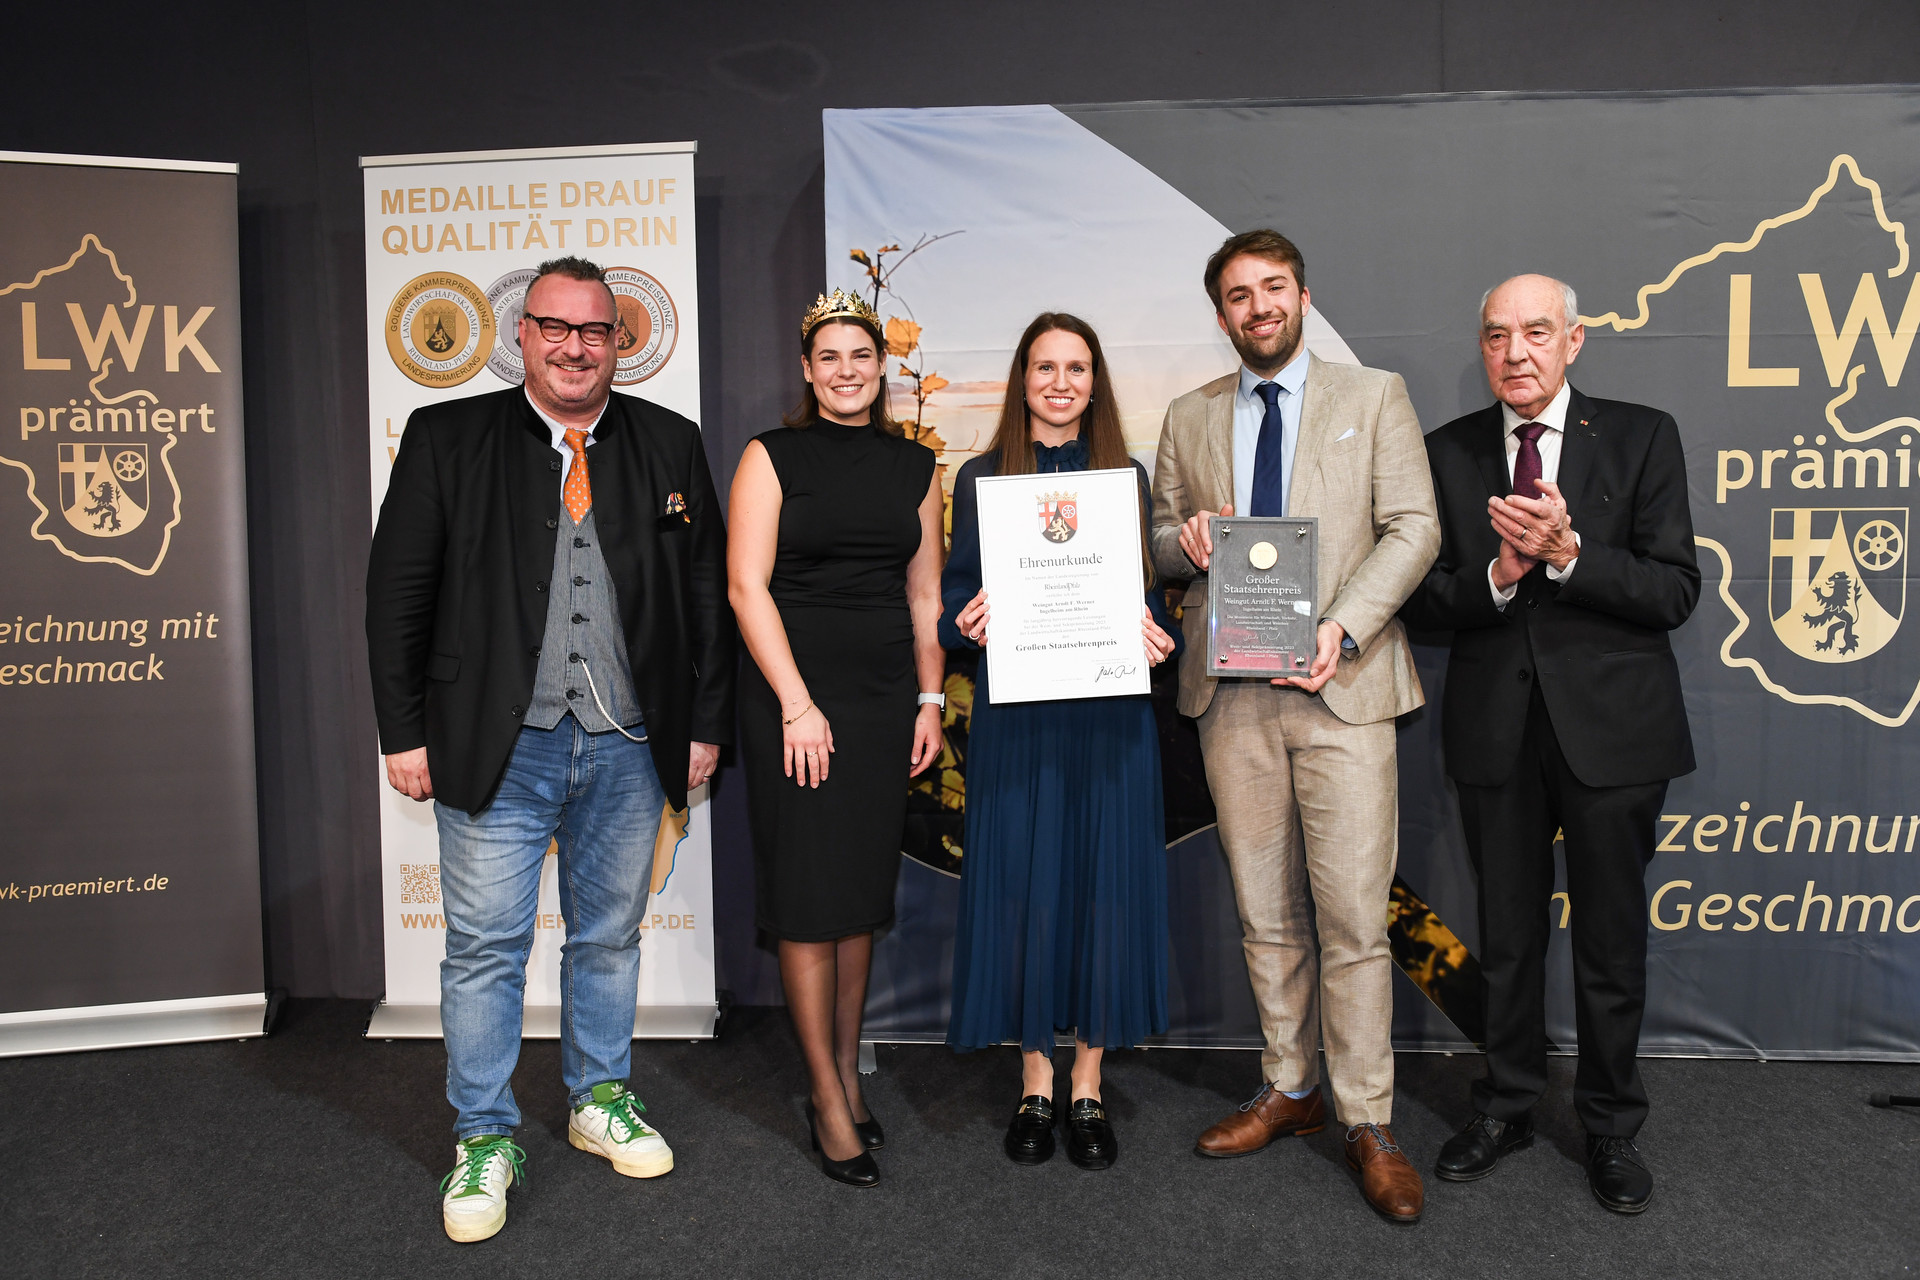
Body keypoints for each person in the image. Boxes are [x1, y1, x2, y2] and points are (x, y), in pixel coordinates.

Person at [366, 256, 735, 1243]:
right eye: (556, 328)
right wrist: (402, 731)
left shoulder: (669, 442)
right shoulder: (449, 437)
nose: (576, 346)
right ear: (521, 335)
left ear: (620, 341)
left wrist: (704, 724)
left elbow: (704, 598)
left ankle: (595, 1098)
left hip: (628, 742)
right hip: (496, 743)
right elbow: (397, 591)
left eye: (595, 331)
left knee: (608, 936)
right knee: (484, 948)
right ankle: (483, 1132)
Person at [1149, 230, 1439, 1222]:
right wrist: (1181, 543)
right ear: (1222, 313)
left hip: (1341, 687)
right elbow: (1159, 532)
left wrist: (1344, 625)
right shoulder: (1189, 416)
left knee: (1355, 919)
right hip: (1232, 697)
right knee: (1264, 911)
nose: (1256, 306)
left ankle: (1368, 1117)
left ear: (1302, 296)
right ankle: (1293, 1086)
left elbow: (1417, 525)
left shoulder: (1374, 396)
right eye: (1237, 294)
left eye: (1272, 288)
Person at [1402, 274, 1698, 1215]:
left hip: (1614, 737)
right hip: (1496, 734)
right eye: (1496, 336)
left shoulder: (1644, 434)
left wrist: (1570, 558)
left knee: (1611, 941)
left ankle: (1611, 1127)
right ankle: (1509, 1104)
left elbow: (1674, 590)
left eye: (1535, 332)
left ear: (1575, 340)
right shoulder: (1446, 453)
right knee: (1509, 938)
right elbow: (1421, 599)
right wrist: (1498, 572)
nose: (1515, 352)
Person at [941, 313, 1180, 1171]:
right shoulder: (977, 478)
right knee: (1026, 888)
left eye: (1077, 368)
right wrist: (963, 620)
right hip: (1020, 713)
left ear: (1095, 382)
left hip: (1107, 716)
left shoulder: (1125, 478)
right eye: (1045, 366)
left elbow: (1142, 598)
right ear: (1022, 377)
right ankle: (1033, 1081)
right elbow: (954, 598)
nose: (1060, 382)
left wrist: (1156, 633)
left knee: (1100, 888)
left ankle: (1088, 1084)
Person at [728, 289, 945, 1188]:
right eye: (830, 357)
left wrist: (931, 699)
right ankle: (825, 1097)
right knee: (812, 903)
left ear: (881, 367)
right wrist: (795, 703)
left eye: (862, 355)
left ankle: (848, 1077)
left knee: (857, 899)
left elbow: (925, 594)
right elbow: (747, 588)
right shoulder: (770, 457)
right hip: (795, 702)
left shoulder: (917, 467)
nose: (847, 370)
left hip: (886, 698)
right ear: (808, 370)